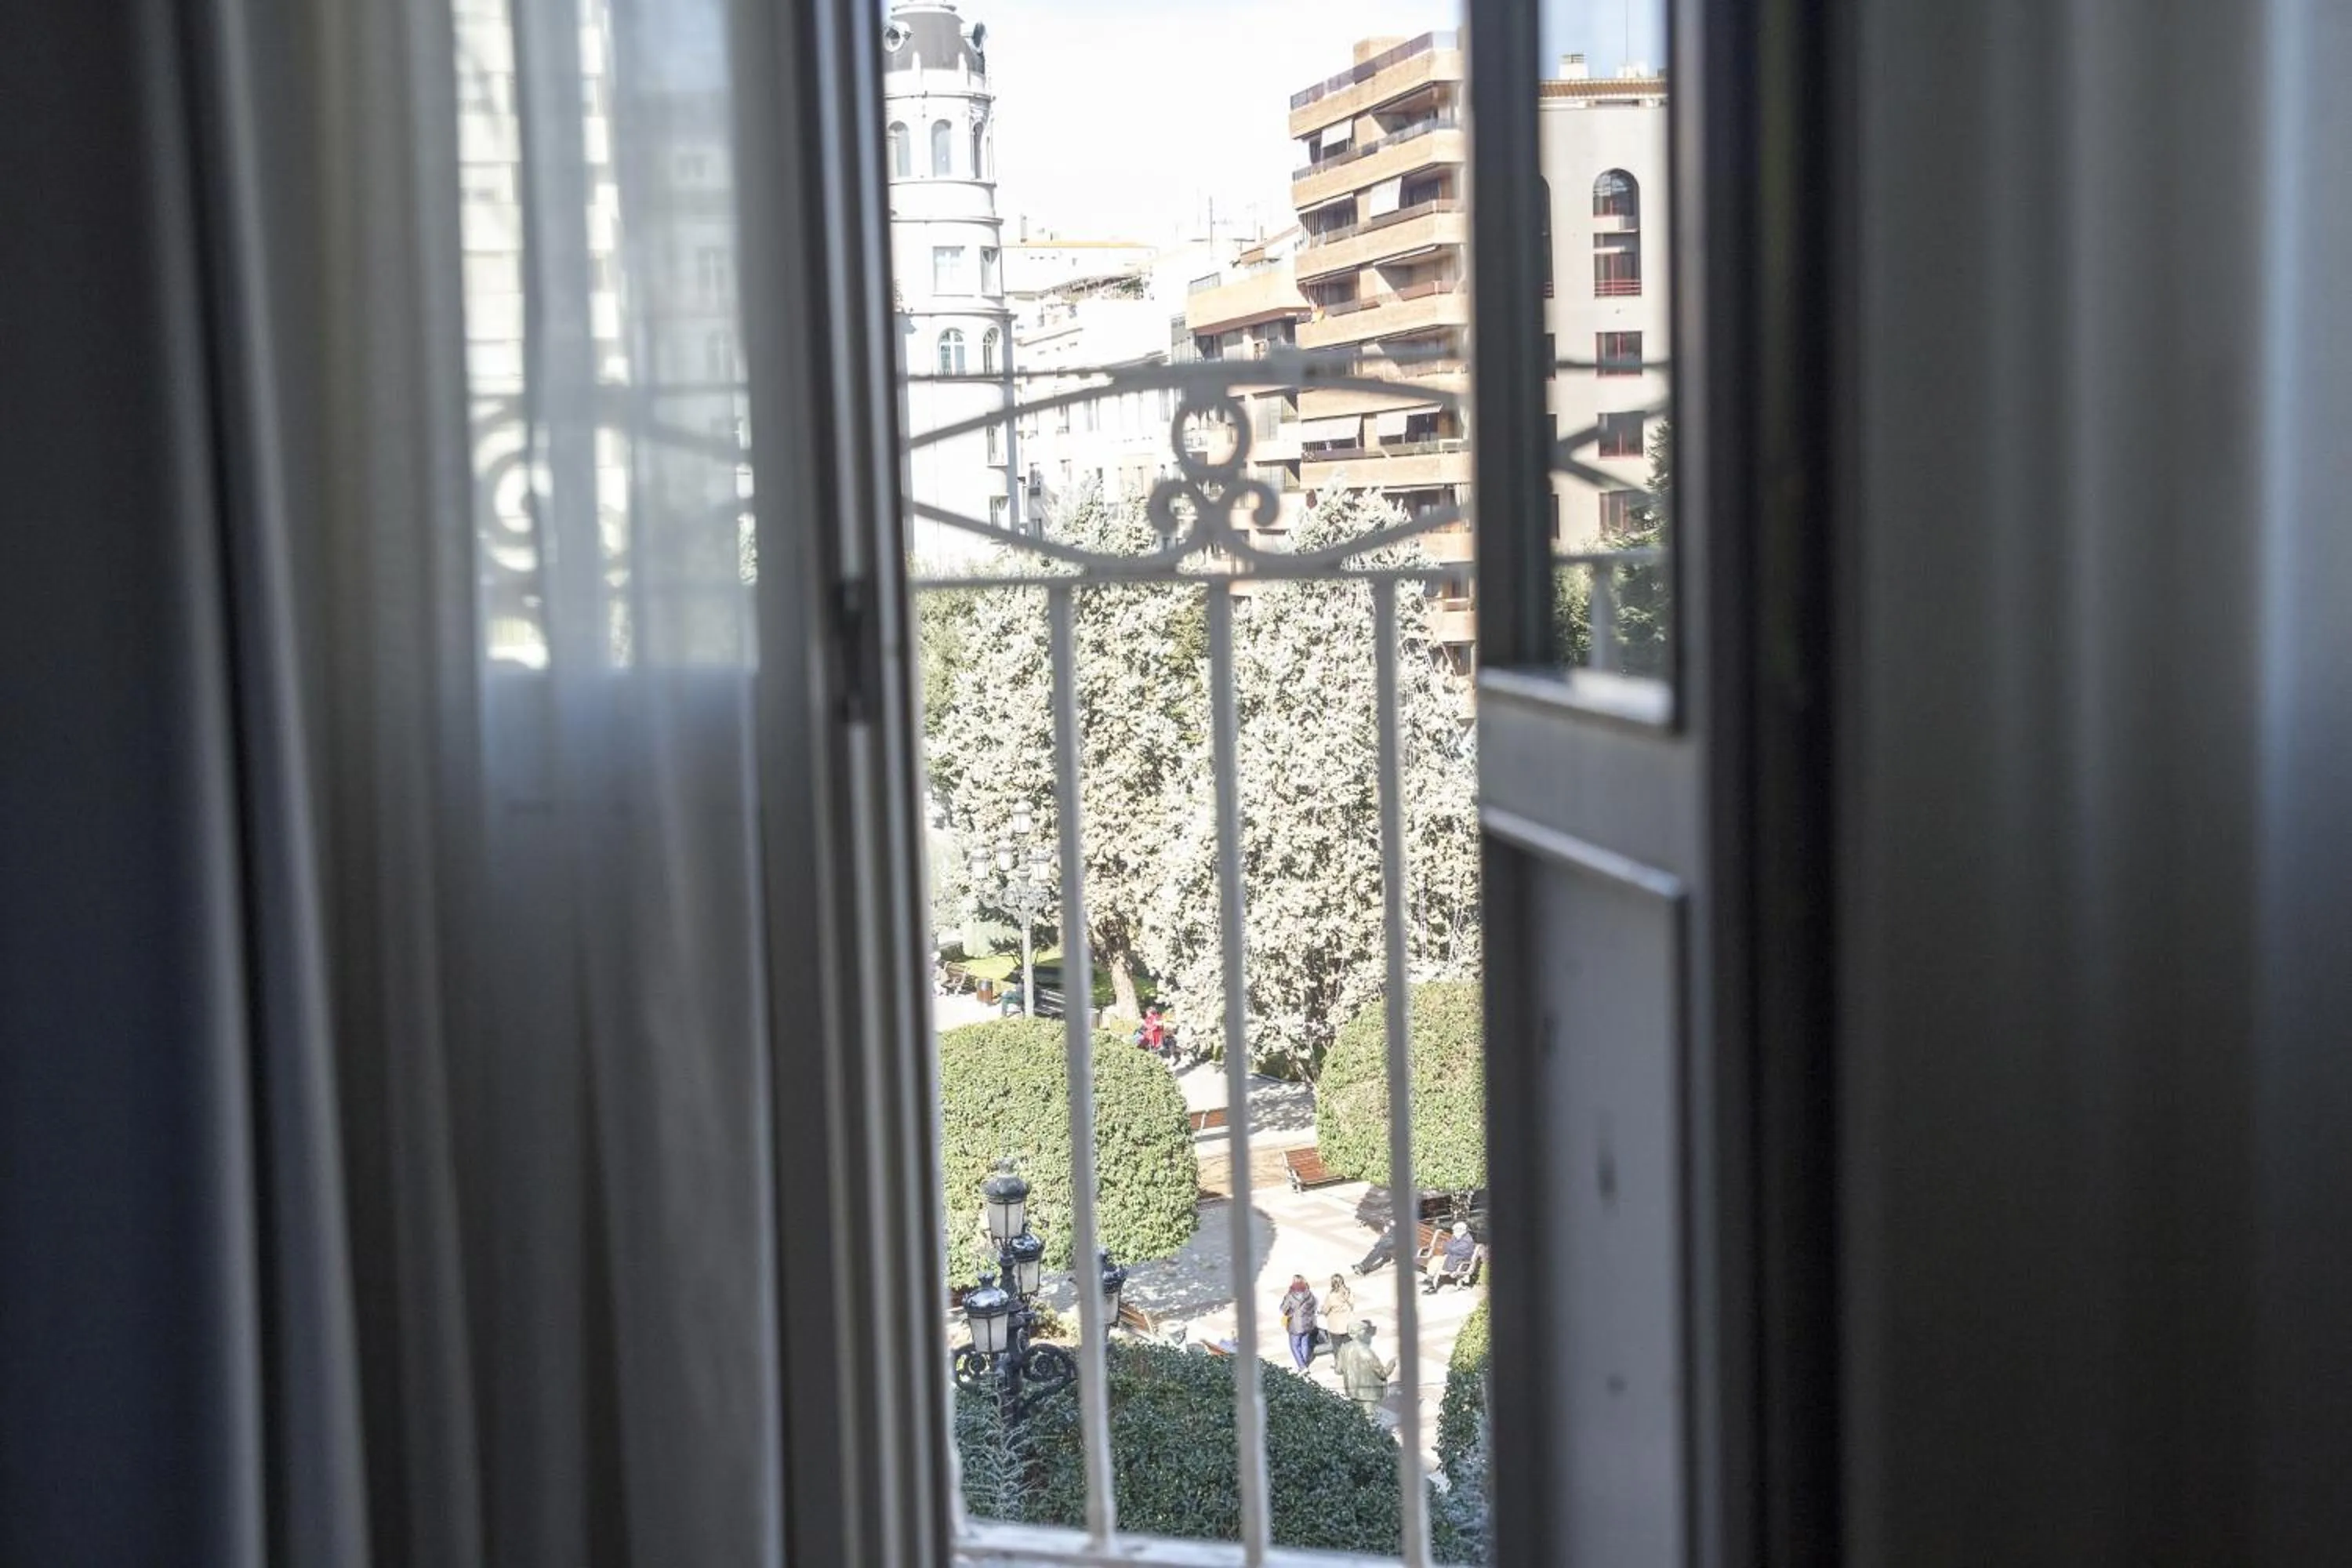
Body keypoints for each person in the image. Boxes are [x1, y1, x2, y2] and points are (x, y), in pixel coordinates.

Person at [1334, 1319, 1395, 1414]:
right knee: (1369, 1418)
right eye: (1364, 1331)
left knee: (1357, 1416)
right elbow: (1383, 1374)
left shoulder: (1344, 1349)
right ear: (1360, 1333)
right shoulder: (1367, 1352)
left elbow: (1338, 1370)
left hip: (1352, 1390)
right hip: (1368, 1393)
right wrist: (1391, 1364)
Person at [1425, 1221, 1483, 1293]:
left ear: (1462, 1230)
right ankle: (1430, 1279)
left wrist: (1448, 1247)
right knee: (1434, 1260)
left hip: (1458, 1263)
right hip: (1452, 1259)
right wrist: (1448, 1247)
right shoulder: (1457, 1237)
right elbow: (1447, 1247)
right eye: (1454, 1230)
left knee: (1438, 1265)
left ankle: (1433, 1286)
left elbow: (1450, 1248)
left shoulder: (1467, 1241)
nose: (1454, 1232)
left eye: (1455, 1230)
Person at [1277, 1274, 1319, 1370]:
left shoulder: (1290, 1296)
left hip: (1295, 1326)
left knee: (1294, 1346)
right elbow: (1314, 1306)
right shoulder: (1310, 1295)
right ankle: (1305, 1362)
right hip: (1308, 1324)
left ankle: (1302, 1366)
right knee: (1305, 1344)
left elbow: (1283, 1309)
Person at [1319, 1272, 1355, 1360]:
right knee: (1348, 1346)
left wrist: (1321, 1311)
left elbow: (1325, 1310)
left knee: (1337, 1347)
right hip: (1348, 1325)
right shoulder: (1349, 1292)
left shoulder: (1331, 1296)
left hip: (1335, 1327)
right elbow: (1352, 1305)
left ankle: (1339, 1367)